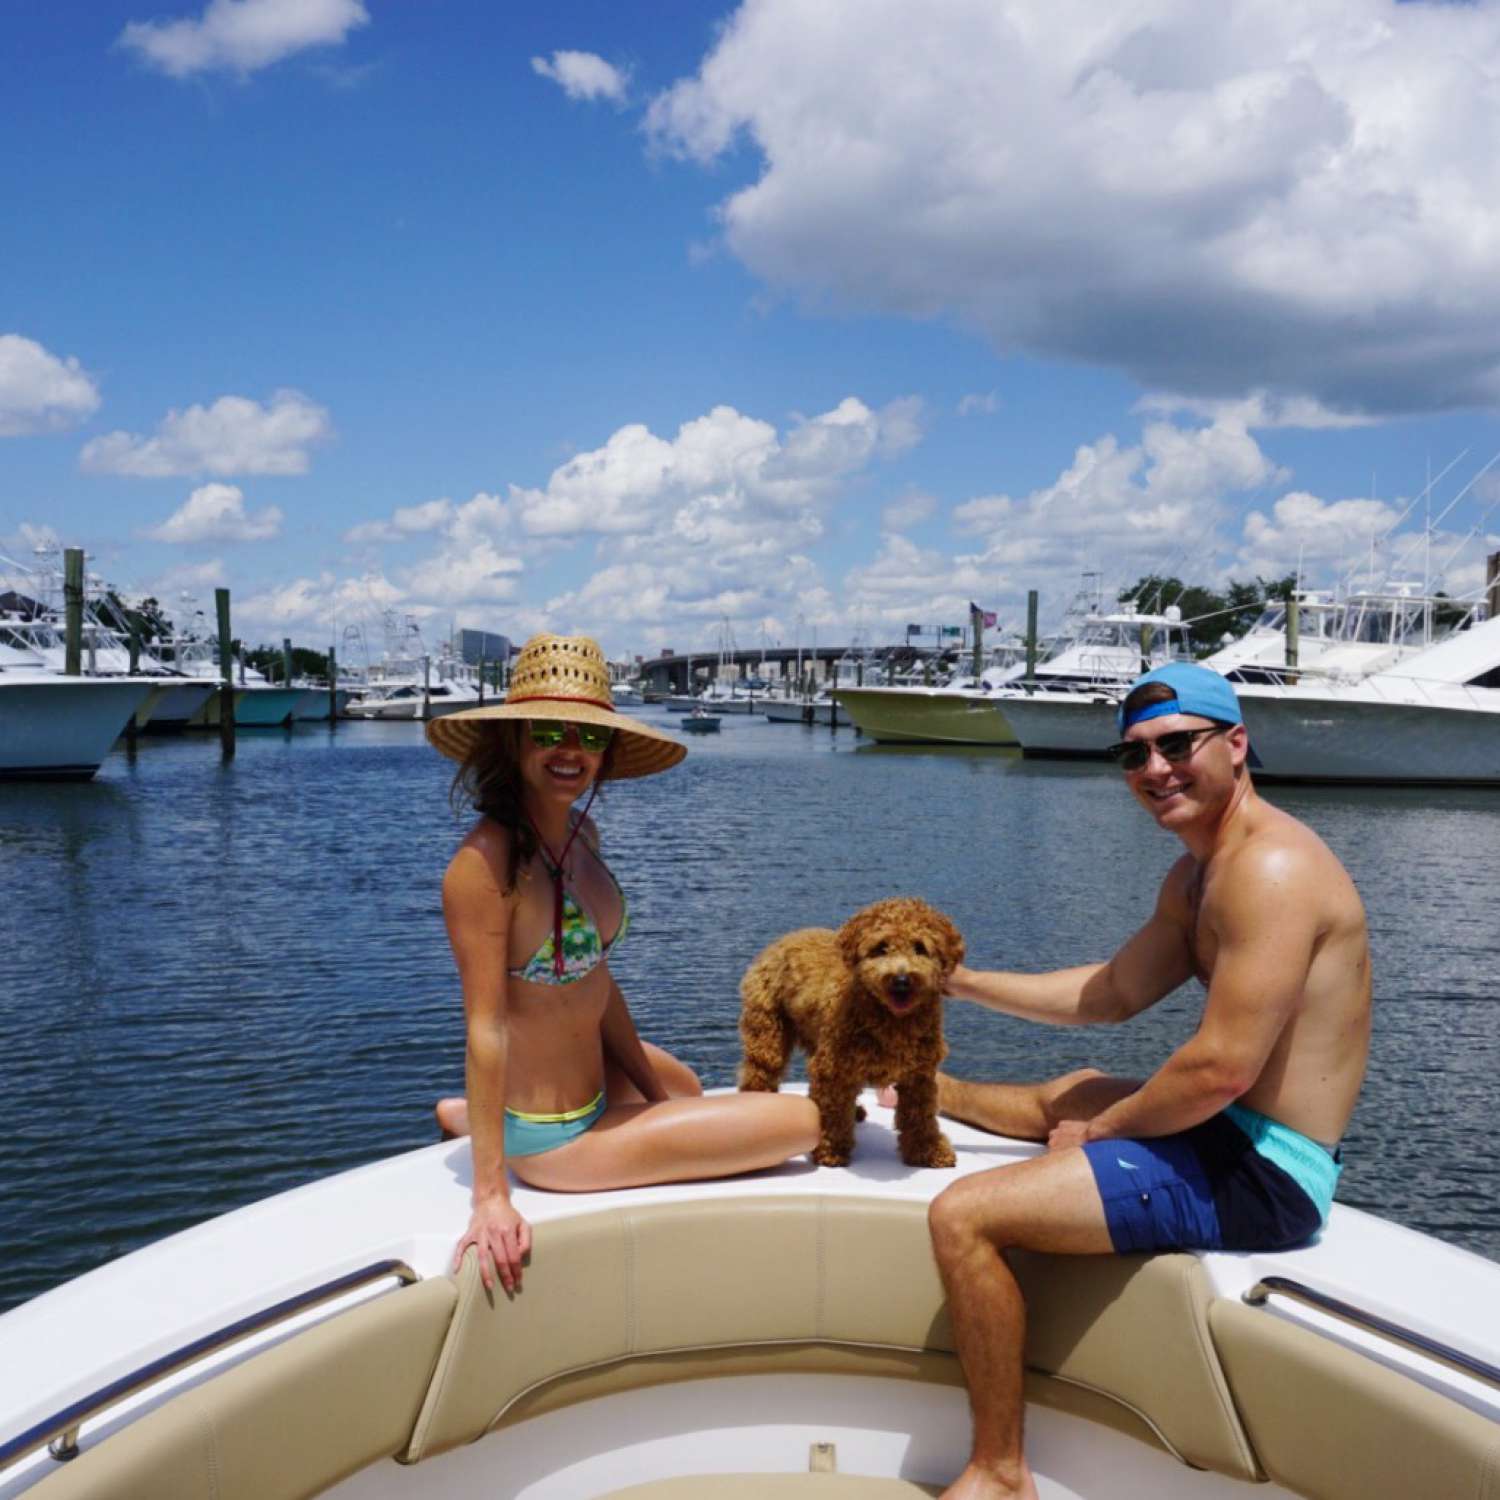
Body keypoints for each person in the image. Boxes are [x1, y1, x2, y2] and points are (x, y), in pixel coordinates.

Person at [924, 661, 1371, 1500]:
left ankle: (999, 1471)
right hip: (1230, 1135)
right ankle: (927, 1092)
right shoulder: (1199, 872)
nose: (1155, 770)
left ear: (1236, 745)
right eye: (1135, 756)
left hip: (1269, 1176)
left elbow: (1219, 1068)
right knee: (1077, 1086)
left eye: (1177, 745)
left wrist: (1102, 1136)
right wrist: (963, 981)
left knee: (963, 1217)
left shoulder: (1270, 871)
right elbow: (1115, 992)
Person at [428, 633, 819, 1295]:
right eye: (550, 732)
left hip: (594, 1076)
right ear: (514, 741)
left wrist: (657, 1099)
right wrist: (490, 1194)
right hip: (552, 1136)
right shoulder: (484, 866)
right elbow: (486, 1027)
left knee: (687, 1087)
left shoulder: (583, 836)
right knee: (805, 1123)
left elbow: (596, 981)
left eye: (590, 736)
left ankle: (465, 1115)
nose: (570, 752)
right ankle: (489, 1127)